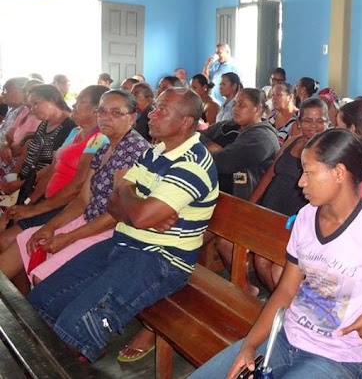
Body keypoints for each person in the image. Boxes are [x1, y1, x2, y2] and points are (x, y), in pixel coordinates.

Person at [188, 128, 362, 379]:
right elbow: (284, 293)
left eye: (309, 171)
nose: (301, 181)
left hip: (337, 358)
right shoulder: (306, 218)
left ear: (339, 173)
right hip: (283, 338)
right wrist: (249, 345)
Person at [27, 87, 219, 362]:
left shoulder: (192, 164)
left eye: (161, 110)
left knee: (75, 323)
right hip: (122, 242)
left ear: (186, 121)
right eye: (154, 107)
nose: (151, 114)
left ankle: (58, 364)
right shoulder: (157, 151)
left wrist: (134, 206)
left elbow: (131, 208)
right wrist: (136, 206)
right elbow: (115, 201)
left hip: (160, 260)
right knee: (42, 300)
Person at [0, 90, 149, 288]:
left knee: (42, 276)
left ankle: (37, 307)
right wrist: (50, 227)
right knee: (27, 243)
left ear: (132, 117)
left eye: (116, 113)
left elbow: (116, 215)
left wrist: (67, 237)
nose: (106, 117)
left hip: (112, 230)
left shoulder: (133, 150)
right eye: (102, 111)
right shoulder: (104, 146)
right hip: (88, 217)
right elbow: (82, 199)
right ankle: (21, 307)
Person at [251, 98, 329, 292]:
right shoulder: (292, 141)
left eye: (320, 121)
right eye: (308, 120)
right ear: (299, 123)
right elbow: (271, 173)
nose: (314, 126)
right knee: (260, 261)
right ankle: (280, 306)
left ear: (328, 123)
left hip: (295, 222)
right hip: (272, 212)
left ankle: (285, 310)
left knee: (267, 264)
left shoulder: (330, 153)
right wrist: (251, 205)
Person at [200, 88, 279, 198]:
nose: (235, 108)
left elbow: (225, 163)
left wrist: (201, 151)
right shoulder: (226, 126)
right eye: (235, 104)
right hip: (213, 192)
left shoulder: (263, 137)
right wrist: (210, 146)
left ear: (258, 108)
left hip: (242, 200)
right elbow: (195, 136)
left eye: (241, 105)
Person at [0, 85, 76, 197]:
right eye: (30, 106)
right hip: (23, 183)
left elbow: (53, 167)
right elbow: (29, 150)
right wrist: (14, 176)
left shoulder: (69, 127)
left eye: (36, 103)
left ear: (52, 99)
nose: (32, 109)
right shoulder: (44, 123)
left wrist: (22, 184)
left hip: (38, 189)